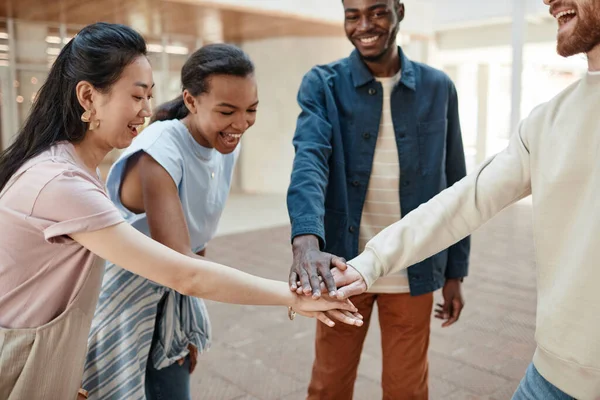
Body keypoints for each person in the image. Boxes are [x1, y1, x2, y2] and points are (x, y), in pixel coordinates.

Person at [0, 22, 361, 400]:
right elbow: (184, 272)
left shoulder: (71, 169)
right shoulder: (64, 181)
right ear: (88, 97)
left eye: (150, 96)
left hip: (53, 347)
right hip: (30, 355)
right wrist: (294, 296)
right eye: (137, 97)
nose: (146, 110)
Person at [333, 0, 600, 399]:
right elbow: (464, 199)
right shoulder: (547, 120)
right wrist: (369, 263)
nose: (547, 0)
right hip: (553, 375)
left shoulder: (438, 86)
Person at [286, 0, 470, 398]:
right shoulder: (323, 84)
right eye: (352, 14)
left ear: (399, 11)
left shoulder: (439, 88)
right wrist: (305, 241)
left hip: (413, 266)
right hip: (342, 266)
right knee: (329, 385)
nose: (364, 25)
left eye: (377, 12)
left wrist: (455, 271)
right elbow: (309, 161)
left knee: (407, 389)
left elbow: (456, 183)